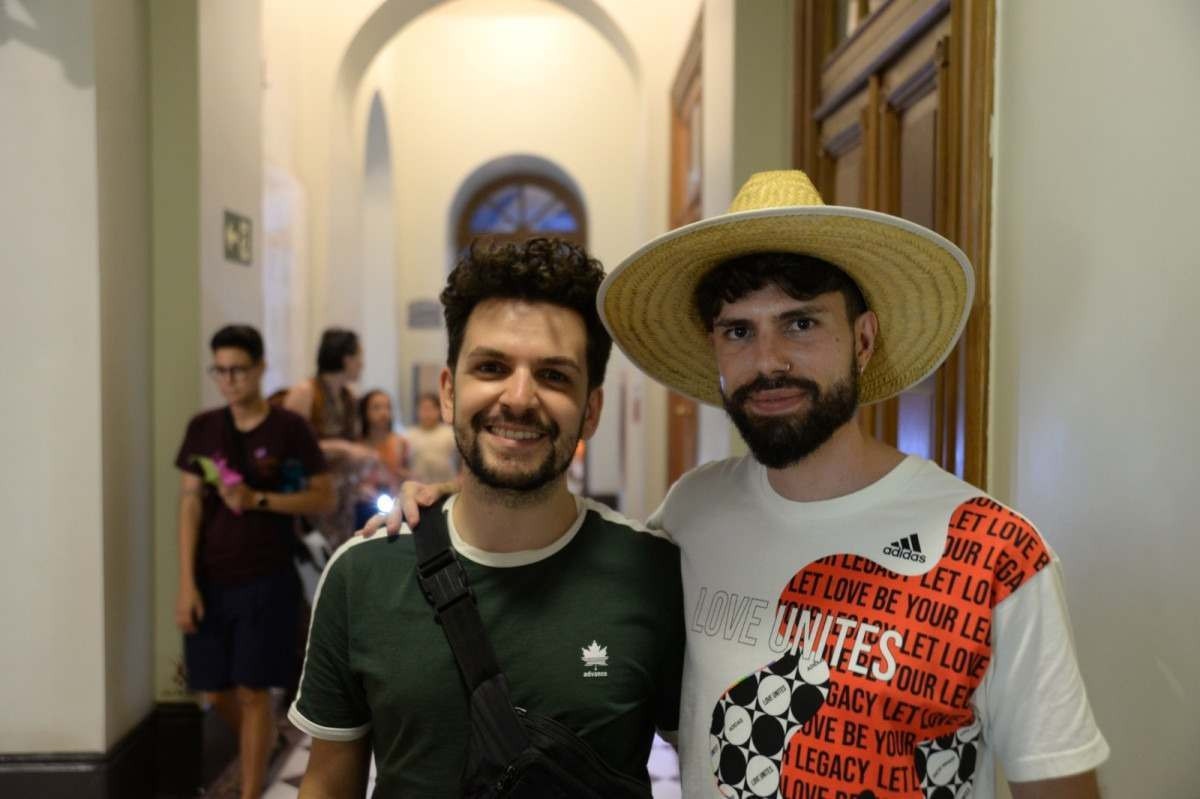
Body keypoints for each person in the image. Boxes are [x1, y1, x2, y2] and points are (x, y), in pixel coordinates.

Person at [374, 171, 1110, 798]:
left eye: (800, 323)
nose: (768, 360)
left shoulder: (994, 553)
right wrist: (445, 508)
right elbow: (566, 562)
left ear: (863, 338)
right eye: (738, 331)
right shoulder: (692, 515)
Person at [289, 238, 685, 797]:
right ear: (449, 392)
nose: (519, 398)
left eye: (553, 375)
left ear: (590, 411)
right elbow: (328, 784)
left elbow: (712, 764)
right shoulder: (362, 575)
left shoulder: (652, 573)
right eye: (492, 366)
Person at [174, 325, 335, 799]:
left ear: (261, 368)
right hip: (210, 575)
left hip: (267, 576)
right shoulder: (203, 429)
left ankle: (249, 792)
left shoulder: (289, 429)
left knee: (253, 690)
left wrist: (257, 499)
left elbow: (322, 496)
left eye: (238, 370)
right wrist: (185, 582)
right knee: (217, 691)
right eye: (220, 371)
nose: (228, 381)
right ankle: (260, 745)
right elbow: (189, 506)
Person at [284, 328, 375, 544]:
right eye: (358, 357)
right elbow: (288, 447)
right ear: (345, 358)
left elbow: (355, 444)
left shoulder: (349, 398)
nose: (361, 364)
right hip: (311, 499)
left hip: (343, 501)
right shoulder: (305, 393)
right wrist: (340, 448)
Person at [355, 388, 408, 526]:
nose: (384, 413)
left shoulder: (401, 442)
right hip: (363, 506)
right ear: (365, 412)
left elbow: (407, 473)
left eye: (387, 407)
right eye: (376, 408)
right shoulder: (356, 445)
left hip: (393, 506)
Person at [404, 390, 459, 485]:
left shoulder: (450, 433)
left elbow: (461, 462)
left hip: (446, 485)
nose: (427, 413)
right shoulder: (408, 436)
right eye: (423, 408)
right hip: (418, 486)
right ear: (417, 410)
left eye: (431, 408)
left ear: (439, 410)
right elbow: (403, 464)